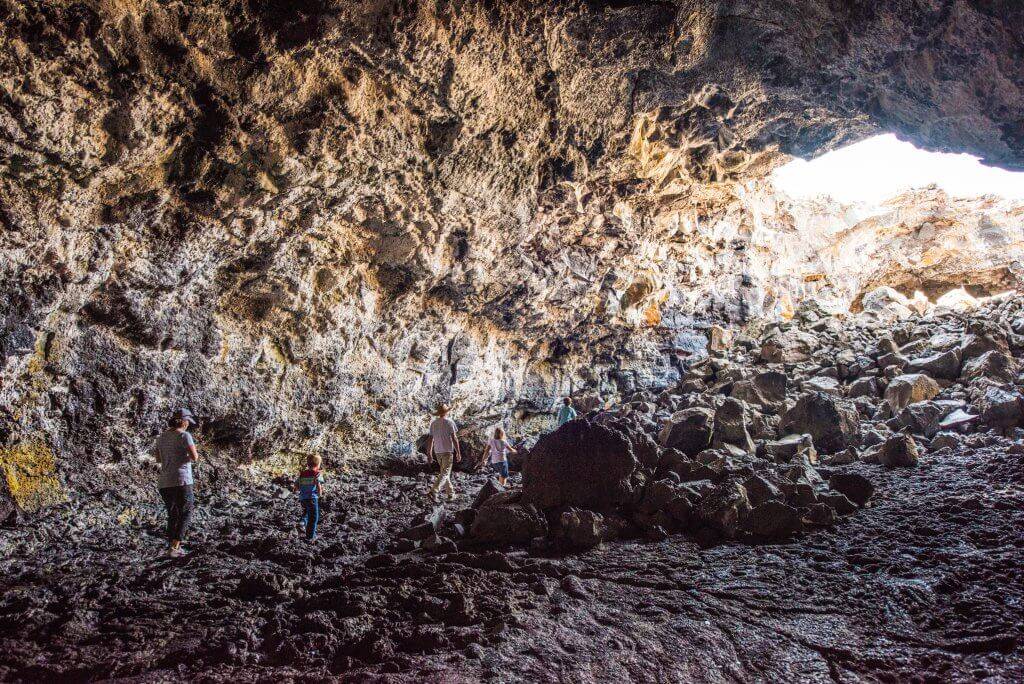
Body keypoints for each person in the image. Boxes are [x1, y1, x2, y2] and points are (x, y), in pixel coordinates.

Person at [154, 408, 200, 558]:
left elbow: (159, 459)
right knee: (186, 511)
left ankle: (170, 546)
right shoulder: (185, 436)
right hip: (182, 480)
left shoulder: (161, 438)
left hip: (165, 481)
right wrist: (183, 455)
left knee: (172, 513)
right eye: (188, 422)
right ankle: (175, 547)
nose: (188, 425)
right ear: (184, 421)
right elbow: (195, 457)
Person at [428, 404, 461, 502]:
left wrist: (429, 453)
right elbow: (454, 438)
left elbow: (430, 439)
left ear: (438, 413)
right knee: (445, 472)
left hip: (437, 451)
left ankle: (451, 494)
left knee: (444, 473)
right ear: (447, 412)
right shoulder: (449, 422)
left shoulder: (433, 423)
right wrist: (458, 452)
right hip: (447, 451)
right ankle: (434, 491)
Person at [294, 454, 325, 541]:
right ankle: (310, 536)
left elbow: (296, 485)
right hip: (312, 498)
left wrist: (299, 490)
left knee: (306, 512)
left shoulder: (302, 474)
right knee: (313, 517)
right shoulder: (317, 474)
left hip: (303, 498)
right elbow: (318, 485)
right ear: (318, 465)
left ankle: (302, 522)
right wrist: (319, 494)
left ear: (308, 464)